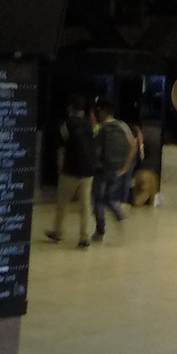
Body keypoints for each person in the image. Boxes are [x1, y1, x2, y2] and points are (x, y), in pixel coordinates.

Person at [45, 98, 99, 248]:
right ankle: (84, 236)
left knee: (63, 202)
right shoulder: (92, 125)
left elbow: (61, 149)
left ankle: (57, 232)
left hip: (71, 168)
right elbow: (95, 145)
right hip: (88, 170)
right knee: (85, 204)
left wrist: (60, 168)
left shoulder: (66, 125)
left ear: (70, 108)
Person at [92, 102, 138, 241]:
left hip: (102, 169)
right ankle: (120, 218)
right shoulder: (123, 126)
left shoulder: (101, 129)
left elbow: (95, 149)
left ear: (103, 112)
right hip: (116, 168)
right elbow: (133, 145)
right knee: (110, 198)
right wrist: (126, 166)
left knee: (98, 200)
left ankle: (100, 231)